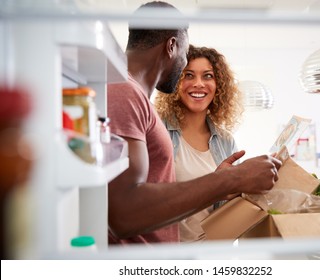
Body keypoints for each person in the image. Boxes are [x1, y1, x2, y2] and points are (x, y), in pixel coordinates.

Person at [107, 1, 281, 245]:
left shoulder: (130, 94)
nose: (187, 74)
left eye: (207, 76)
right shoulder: (124, 92)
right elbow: (122, 214)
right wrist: (232, 179)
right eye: (185, 58)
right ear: (172, 46)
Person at [154, 45, 244, 242]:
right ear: (175, 81)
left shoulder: (225, 141)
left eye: (208, 76)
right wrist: (217, 186)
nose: (198, 84)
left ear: (219, 84)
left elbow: (232, 208)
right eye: (188, 75)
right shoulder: (157, 131)